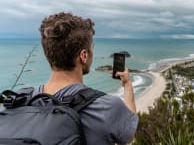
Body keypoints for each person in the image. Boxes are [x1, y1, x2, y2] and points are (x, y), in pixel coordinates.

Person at [35, 12, 138, 144]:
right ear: (83, 56)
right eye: (92, 49)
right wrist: (127, 84)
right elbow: (130, 135)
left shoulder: (18, 103)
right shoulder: (106, 108)